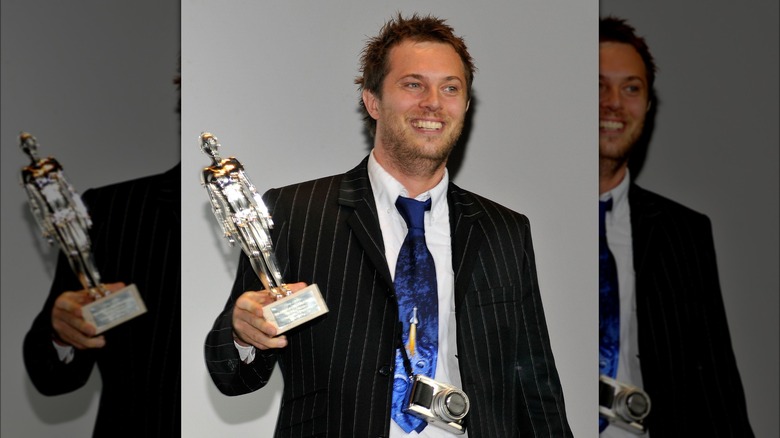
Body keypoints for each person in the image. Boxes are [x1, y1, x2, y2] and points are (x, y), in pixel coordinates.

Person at [205, 13, 571, 437]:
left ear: (466, 106)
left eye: (450, 88)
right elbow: (233, 376)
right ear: (373, 100)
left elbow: (535, 384)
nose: (433, 102)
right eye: (413, 84)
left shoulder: (504, 230)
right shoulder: (296, 212)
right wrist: (244, 335)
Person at [598, 16, 753, 436]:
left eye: (631, 88)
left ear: (647, 105)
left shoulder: (684, 233)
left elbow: (716, 382)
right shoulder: (522, 227)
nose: (613, 102)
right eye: (598, 86)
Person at [22, 73, 181, 437]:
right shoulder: (113, 212)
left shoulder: (290, 211)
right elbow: (51, 375)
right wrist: (62, 334)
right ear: (181, 92)